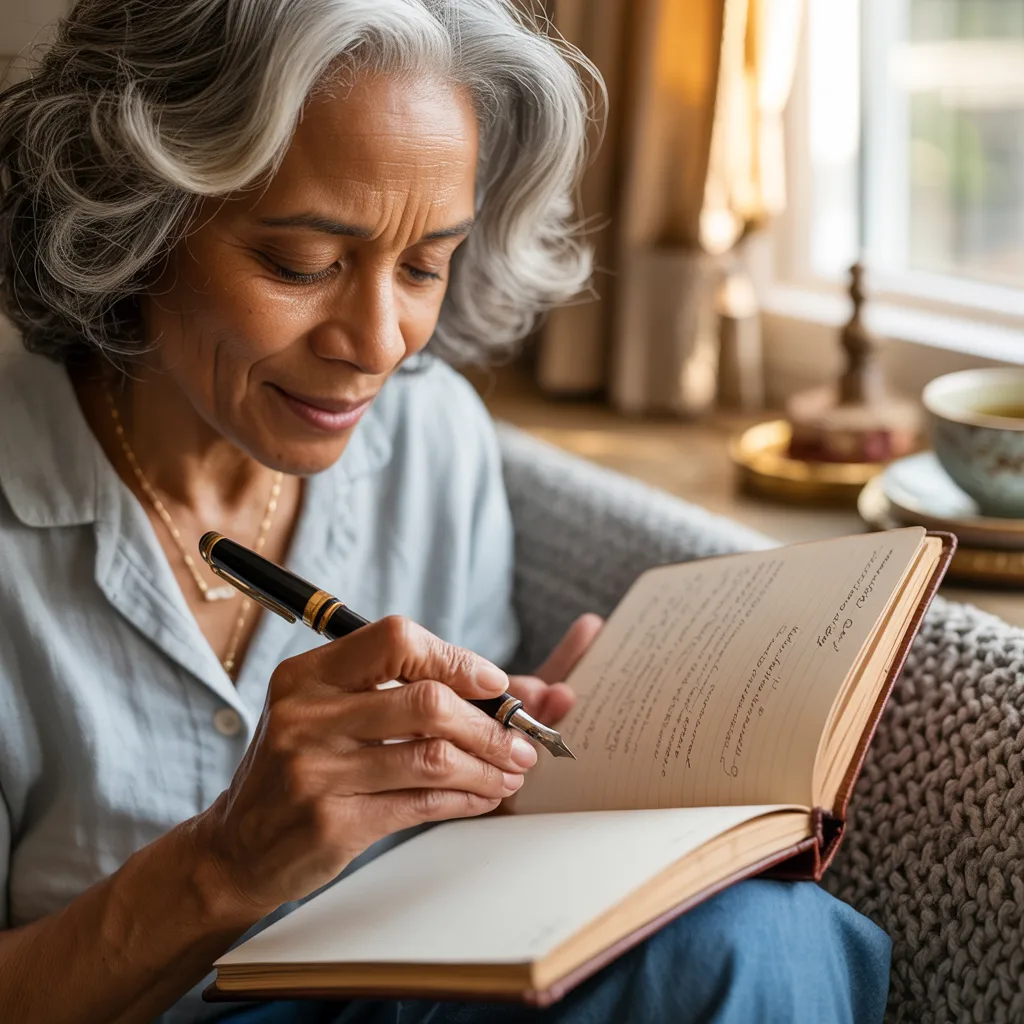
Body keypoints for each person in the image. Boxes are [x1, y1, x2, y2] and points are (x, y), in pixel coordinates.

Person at [0, 2, 891, 1021]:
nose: (382, 342)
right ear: (139, 212)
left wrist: (510, 788)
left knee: (762, 935)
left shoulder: (432, 436)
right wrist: (221, 866)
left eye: (426, 263)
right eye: (301, 264)